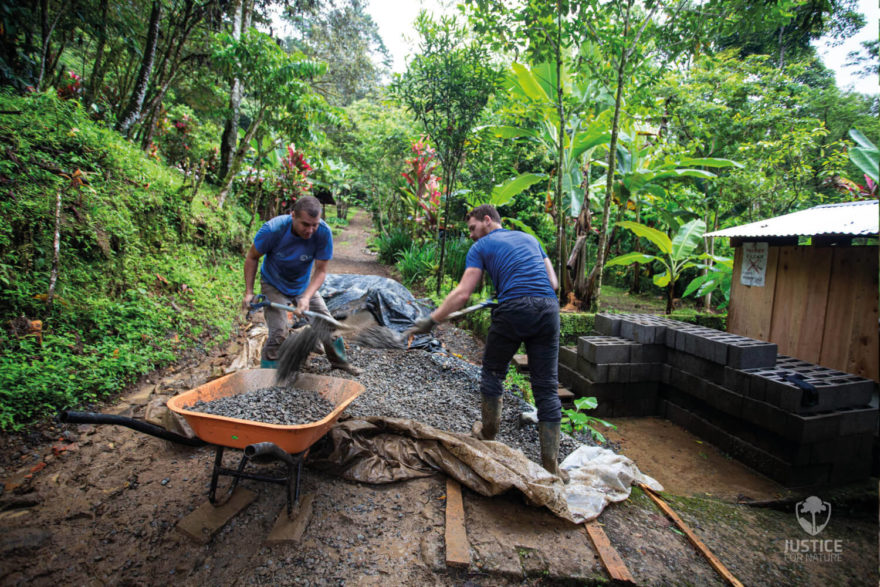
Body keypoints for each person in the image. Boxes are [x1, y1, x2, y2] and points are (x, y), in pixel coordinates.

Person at [404, 204, 564, 478]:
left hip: (514, 308)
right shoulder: (531, 239)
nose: (472, 235)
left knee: (492, 372)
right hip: (548, 309)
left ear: (487, 220)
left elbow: (463, 293)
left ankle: (487, 433)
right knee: (547, 387)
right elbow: (553, 283)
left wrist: (431, 320)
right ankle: (551, 465)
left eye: (473, 228)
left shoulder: (481, 247)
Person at [242, 196, 359, 375]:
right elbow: (252, 257)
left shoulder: (323, 233)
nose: (310, 230)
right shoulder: (273, 230)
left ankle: (340, 363)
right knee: (279, 332)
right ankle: (266, 376)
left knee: (327, 324)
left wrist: (305, 297)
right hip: (274, 283)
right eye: (305, 224)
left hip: (302, 285)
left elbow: (321, 271)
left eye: (315, 224)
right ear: (293, 215)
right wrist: (249, 292)